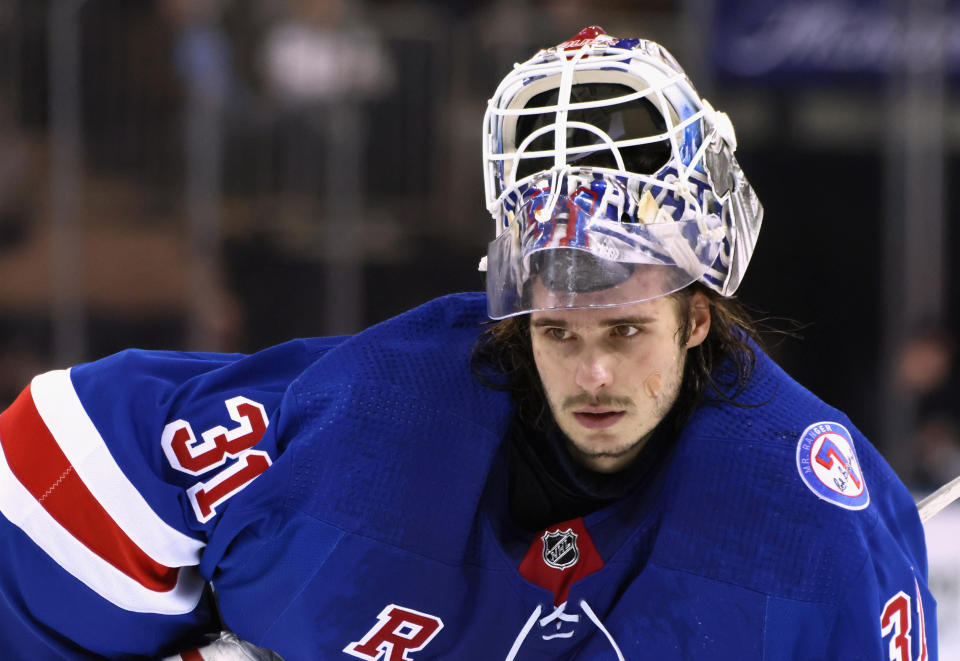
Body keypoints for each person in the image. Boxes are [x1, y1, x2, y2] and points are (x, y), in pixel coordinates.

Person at [0, 26, 936, 660]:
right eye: (559, 330)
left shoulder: (809, 517)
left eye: (626, 329)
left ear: (696, 320)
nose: (595, 372)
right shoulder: (375, 422)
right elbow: (56, 464)